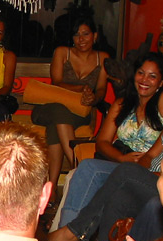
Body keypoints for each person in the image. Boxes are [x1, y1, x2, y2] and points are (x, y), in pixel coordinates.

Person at [53, 59, 163, 231]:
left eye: (152, 76)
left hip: (155, 174)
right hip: (128, 163)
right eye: (141, 73)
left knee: (91, 171)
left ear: (161, 82)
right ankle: (67, 232)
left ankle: (69, 233)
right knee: (80, 173)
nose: (144, 79)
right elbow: (104, 142)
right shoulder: (130, 104)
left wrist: (138, 169)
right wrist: (123, 159)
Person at [31, 15, 109, 204]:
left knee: (56, 125)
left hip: (79, 113)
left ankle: (51, 187)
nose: (81, 39)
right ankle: (79, 168)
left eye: (85, 34)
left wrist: (93, 97)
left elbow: (101, 90)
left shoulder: (103, 58)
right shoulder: (62, 52)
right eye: (76, 35)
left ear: (95, 35)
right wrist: (81, 89)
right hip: (47, 109)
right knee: (59, 111)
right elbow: (57, 82)